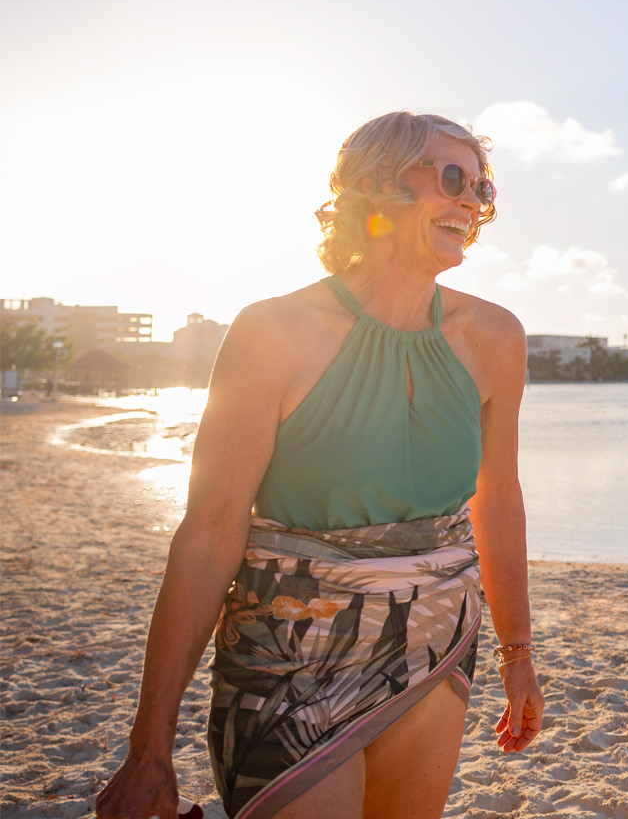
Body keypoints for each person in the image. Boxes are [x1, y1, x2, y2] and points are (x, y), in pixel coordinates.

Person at [97, 112, 543, 819]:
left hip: (433, 643)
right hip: (287, 654)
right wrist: (149, 746)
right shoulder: (273, 332)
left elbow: (498, 501)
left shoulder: (495, 336)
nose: (471, 201)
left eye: (481, 186)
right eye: (451, 177)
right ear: (374, 184)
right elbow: (210, 534)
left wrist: (519, 655)